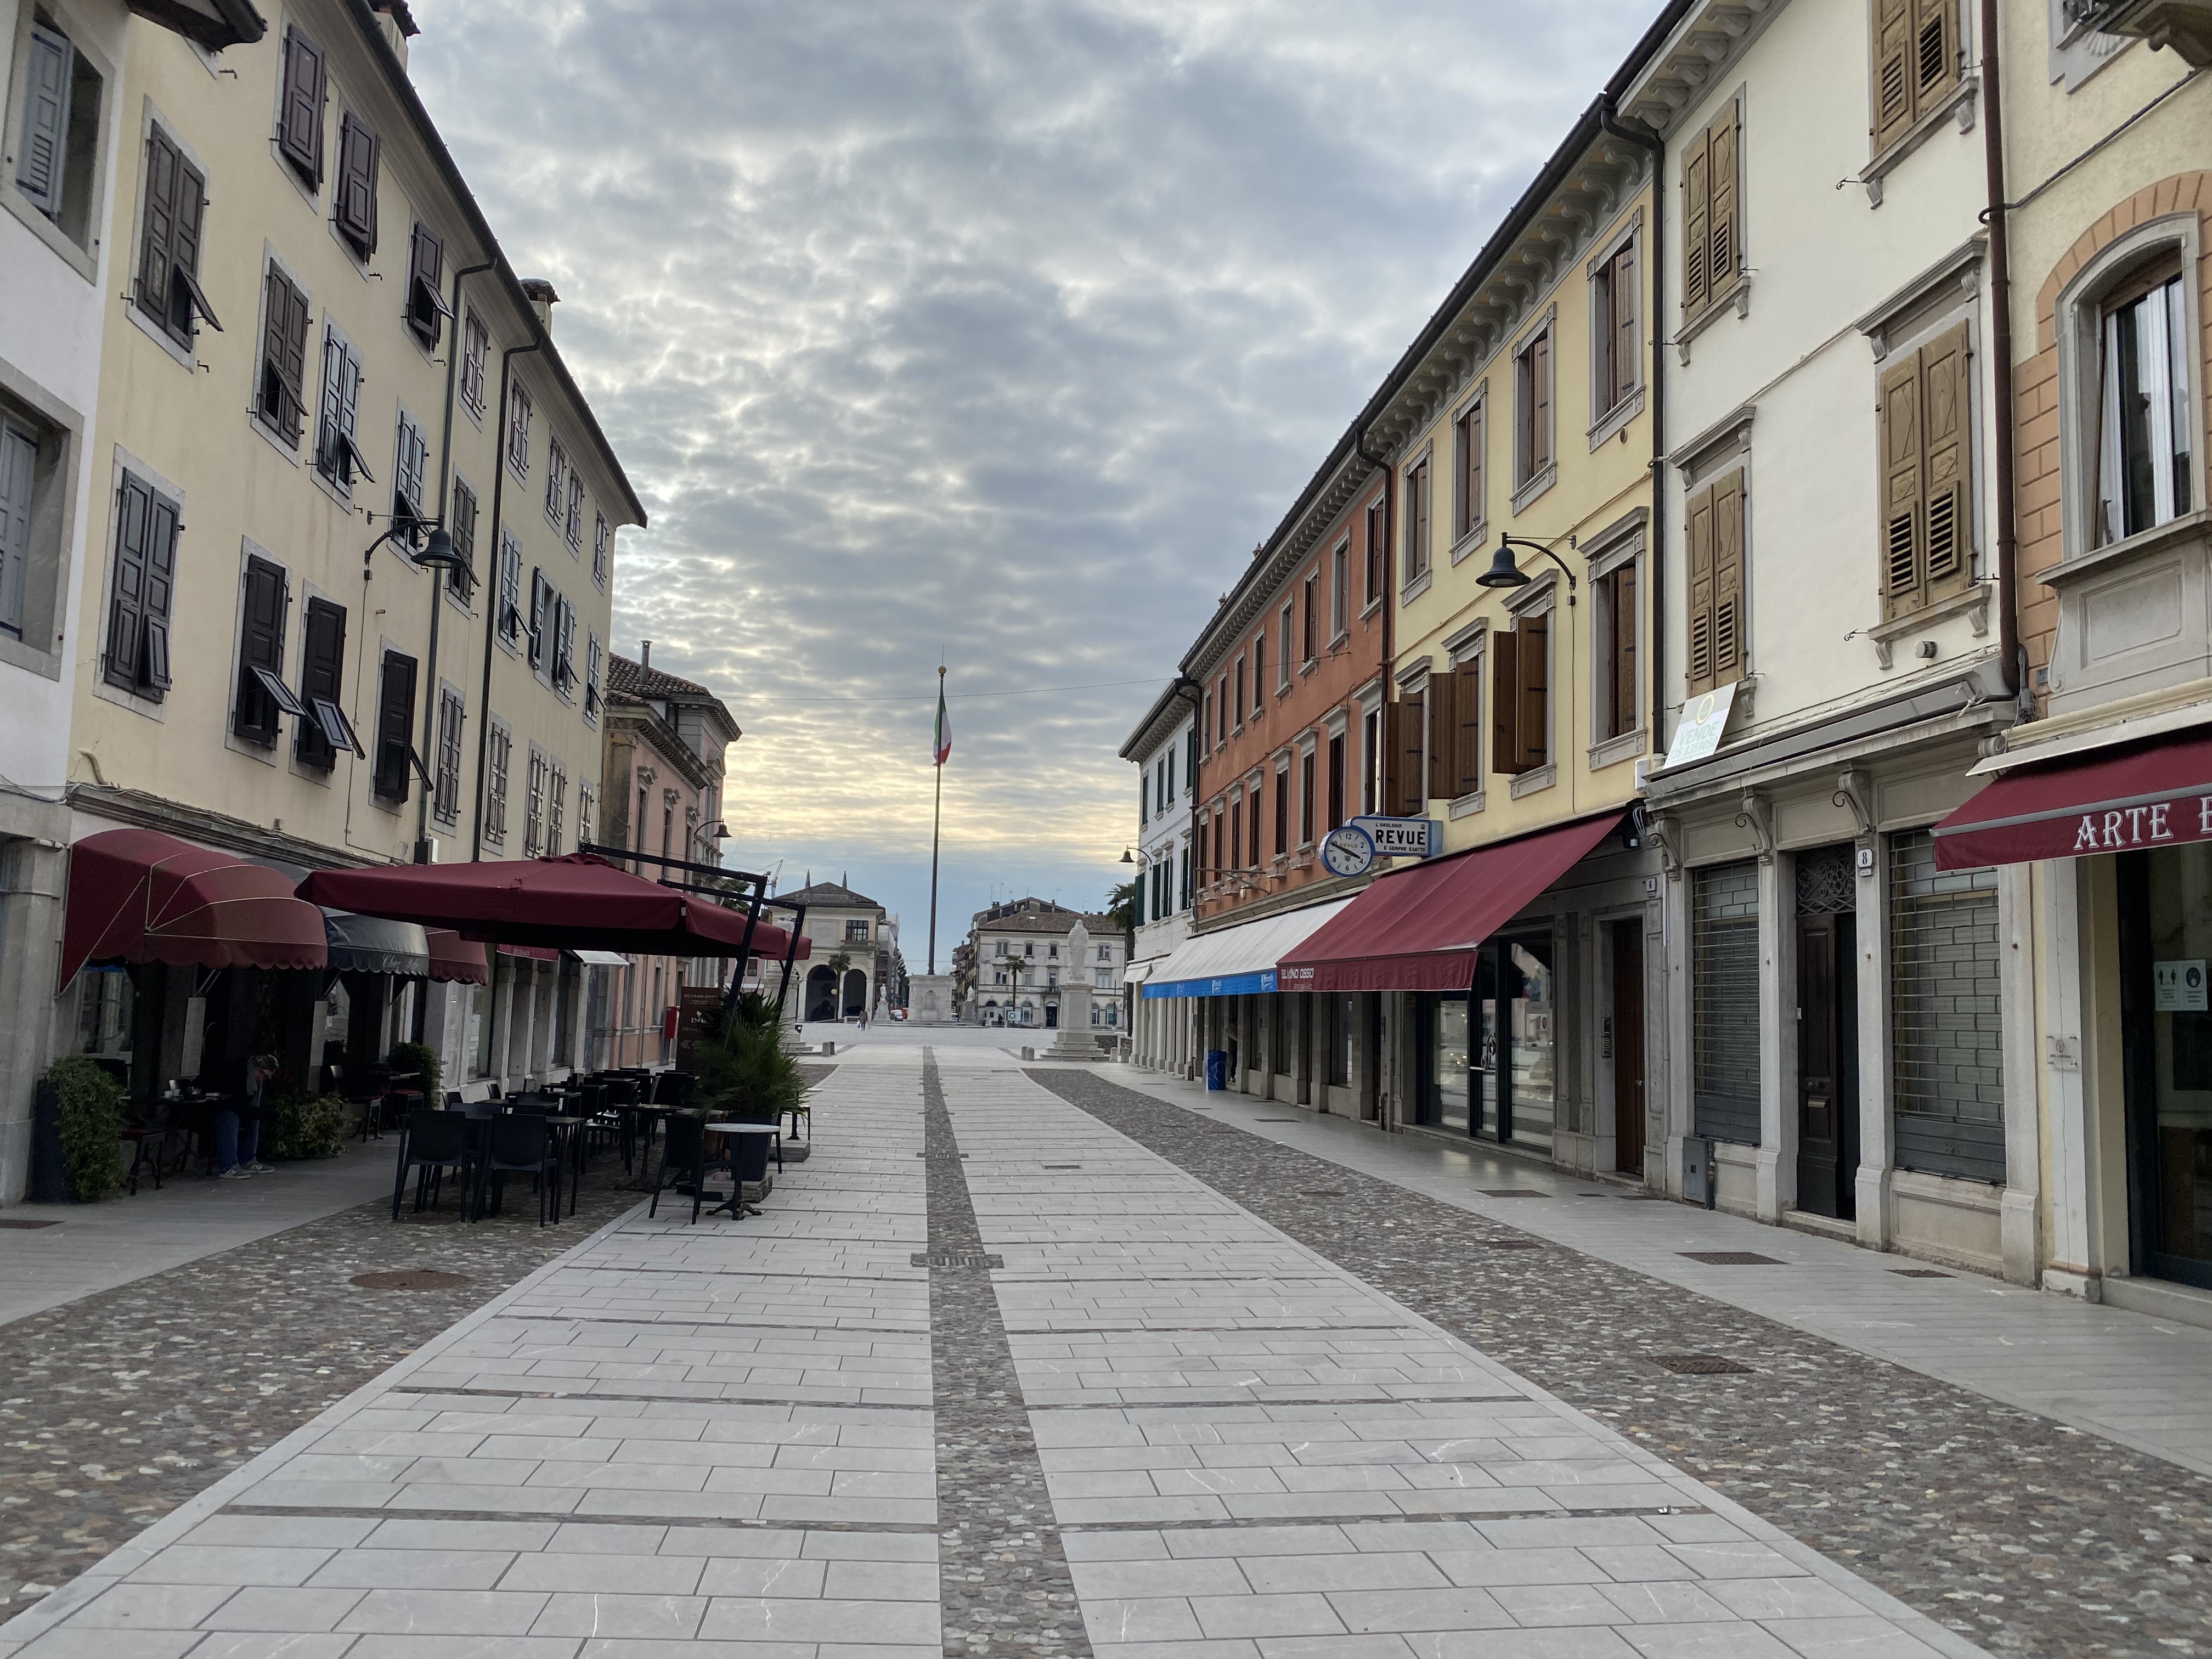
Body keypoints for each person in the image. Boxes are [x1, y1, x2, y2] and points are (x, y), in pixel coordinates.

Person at [216, 1052, 277, 1179]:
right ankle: (229, 1166)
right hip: (213, 1107)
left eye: (266, 1076)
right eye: (261, 1073)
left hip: (230, 1106)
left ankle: (249, 1160)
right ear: (254, 1067)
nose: (262, 1078)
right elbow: (234, 1105)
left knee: (254, 1117)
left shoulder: (252, 1081)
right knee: (231, 1117)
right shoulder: (237, 1073)